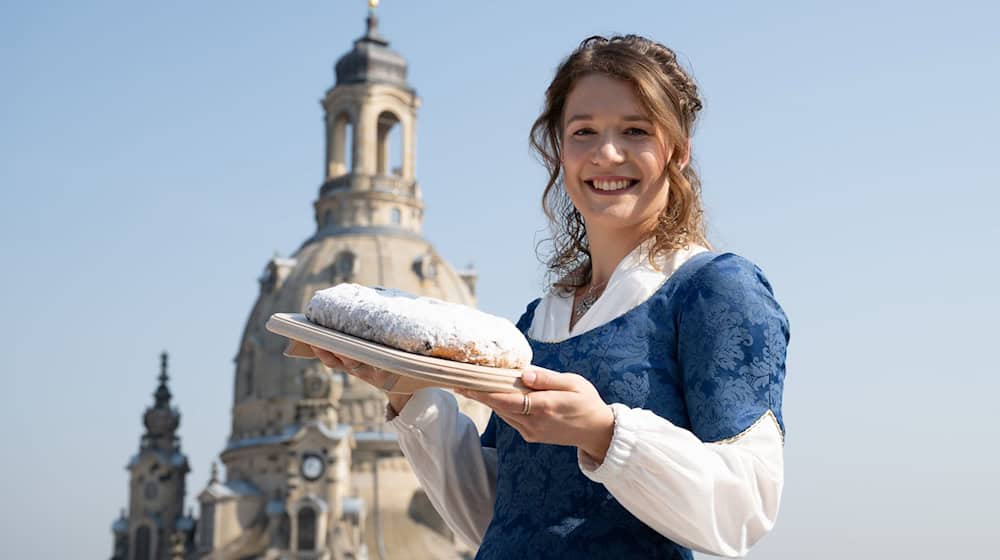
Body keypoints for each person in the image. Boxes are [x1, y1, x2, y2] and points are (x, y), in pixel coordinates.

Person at [311, 35, 789, 559]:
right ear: (559, 150)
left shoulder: (714, 289)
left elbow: (746, 509)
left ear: (677, 148)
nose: (608, 153)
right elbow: (496, 517)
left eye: (635, 130)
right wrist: (407, 390)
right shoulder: (541, 319)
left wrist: (604, 432)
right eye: (585, 132)